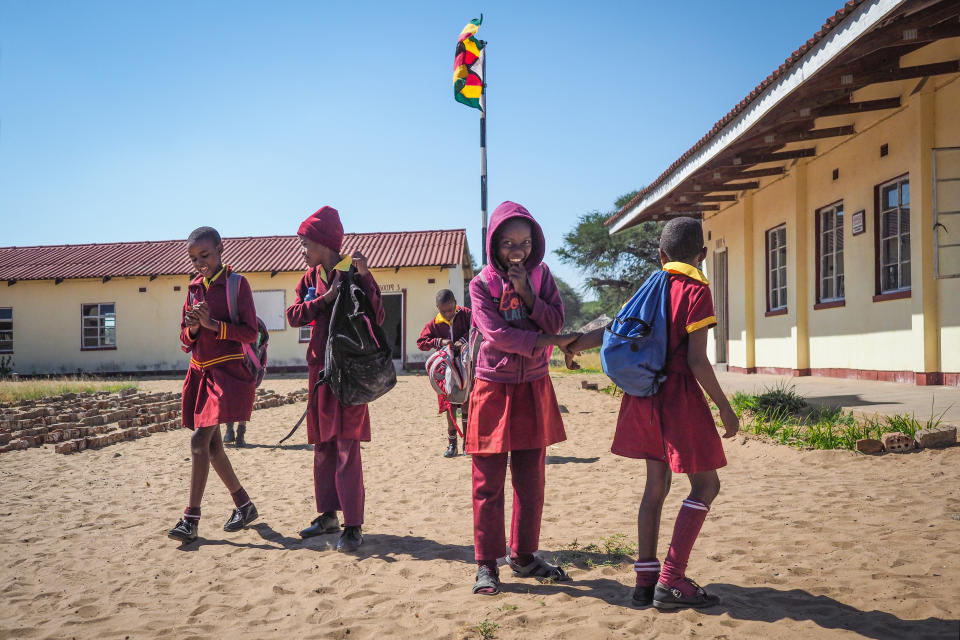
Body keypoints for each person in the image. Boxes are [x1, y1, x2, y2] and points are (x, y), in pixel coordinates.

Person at [564, 217, 739, 609]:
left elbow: (615, 329)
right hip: (678, 398)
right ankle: (672, 579)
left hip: (642, 397)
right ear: (703, 256)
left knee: (655, 489)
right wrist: (725, 408)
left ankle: (644, 582)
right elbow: (697, 361)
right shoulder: (696, 290)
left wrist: (574, 345)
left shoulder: (650, 286)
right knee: (706, 486)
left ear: (660, 255)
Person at [466, 200, 580, 596]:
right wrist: (550, 342)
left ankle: (524, 555)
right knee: (488, 483)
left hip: (533, 386)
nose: (518, 252)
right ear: (493, 244)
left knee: (531, 482)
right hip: (492, 388)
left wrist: (528, 293)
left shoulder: (542, 275)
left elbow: (556, 319)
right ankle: (486, 563)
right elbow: (499, 336)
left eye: (525, 243)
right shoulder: (480, 284)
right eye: (508, 244)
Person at [286, 206, 384, 553]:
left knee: (346, 446)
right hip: (319, 372)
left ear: (325, 243)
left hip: (350, 373)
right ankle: (327, 514)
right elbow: (294, 315)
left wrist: (367, 277)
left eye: (306, 244)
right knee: (324, 444)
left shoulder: (353, 273)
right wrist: (324, 300)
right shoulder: (309, 280)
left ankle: (353, 525)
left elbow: (379, 314)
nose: (302, 251)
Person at [168, 226, 259, 543]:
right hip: (198, 373)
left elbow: (250, 333)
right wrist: (193, 329)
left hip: (226, 375)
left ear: (221, 249)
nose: (199, 263)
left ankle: (190, 519)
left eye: (205, 255)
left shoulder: (237, 285)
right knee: (214, 446)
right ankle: (244, 505)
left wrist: (213, 325)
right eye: (193, 258)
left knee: (198, 442)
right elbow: (184, 338)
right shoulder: (193, 289)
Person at [417, 290, 472, 457]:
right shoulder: (434, 323)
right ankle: (452, 444)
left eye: (450, 309)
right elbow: (421, 342)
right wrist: (440, 342)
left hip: (465, 369)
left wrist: (462, 341)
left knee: (466, 405)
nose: (448, 314)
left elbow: (476, 328)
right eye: (443, 311)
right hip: (445, 371)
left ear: (456, 302)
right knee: (450, 407)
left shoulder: (466, 314)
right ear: (437, 308)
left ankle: (467, 445)